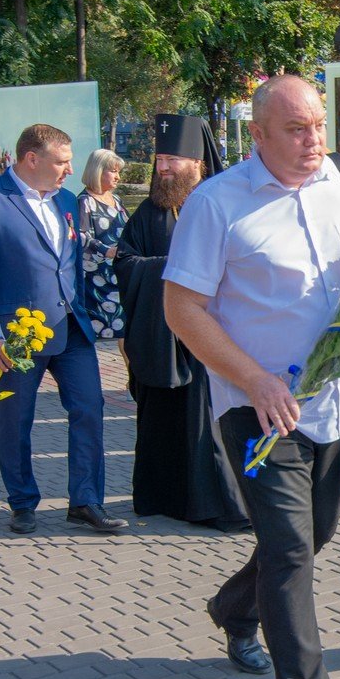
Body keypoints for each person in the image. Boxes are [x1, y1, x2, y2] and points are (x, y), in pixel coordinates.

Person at [163, 75, 340, 679]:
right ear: (256, 134)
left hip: (337, 407)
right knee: (290, 548)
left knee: (310, 535)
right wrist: (254, 378)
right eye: (295, 129)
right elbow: (182, 310)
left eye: (318, 126)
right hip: (257, 409)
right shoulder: (217, 204)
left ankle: (234, 610)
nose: (311, 141)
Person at [0, 124, 126, 536]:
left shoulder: (67, 201)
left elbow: (71, 263)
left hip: (71, 329)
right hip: (18, 337)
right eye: (62, 161)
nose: (70, 169)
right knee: (17, 419)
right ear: (32, 159)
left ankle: (85, 501)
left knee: (89, 410)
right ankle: (22, 501)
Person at [114, 114, 249, 532]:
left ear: (198, 163)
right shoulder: (149, 212)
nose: (164, 168)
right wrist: (171, 271)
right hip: (161, 338)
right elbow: (125, 260)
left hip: (211, 335)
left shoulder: (223, 204)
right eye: (159, 159)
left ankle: (217, 505)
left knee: (207, 425)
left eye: (173, 159)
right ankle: (163, 498)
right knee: (163, 423)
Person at [77, 149, 129, 348]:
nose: (118, 177)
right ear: (98, 171)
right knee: (117, 326)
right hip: (99, 278)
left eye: (118, 172)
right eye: (113, 171)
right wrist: (106, 250)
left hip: (119, 271)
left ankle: (132, 377)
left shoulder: (116, 200)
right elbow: (81, 236)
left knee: (126, 326)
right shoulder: (85, 201)